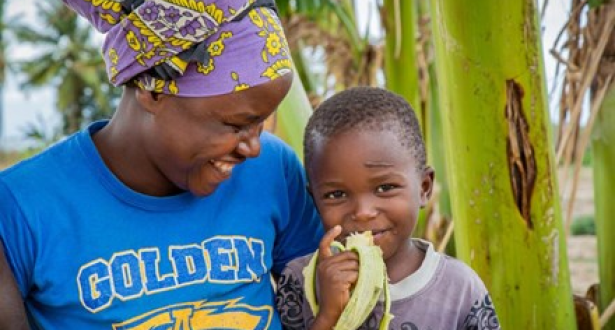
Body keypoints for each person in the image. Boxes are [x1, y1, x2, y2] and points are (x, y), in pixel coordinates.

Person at [0, 0, 323, 328]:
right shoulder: (22, 207)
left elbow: (316, 309)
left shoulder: (272, 172)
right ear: (152, 92)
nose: (253, 147)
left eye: (261, 124)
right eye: (236, 125)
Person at [275, 87, 501, 330]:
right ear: (315, 200)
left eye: (385, 188)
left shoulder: (459, 289)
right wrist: (328, 316)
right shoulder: (300, 280)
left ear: (424, 188)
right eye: (336, 194)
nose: (363, 212)